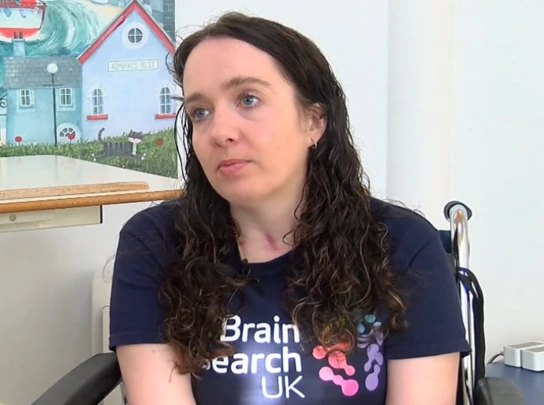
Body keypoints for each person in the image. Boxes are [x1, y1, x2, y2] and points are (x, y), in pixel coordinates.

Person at [109, 11, 470, 405]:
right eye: (200, 112)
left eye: (248, 99)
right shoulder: (155, 243)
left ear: (314, 121)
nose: (220, 132)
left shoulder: (401, 244)